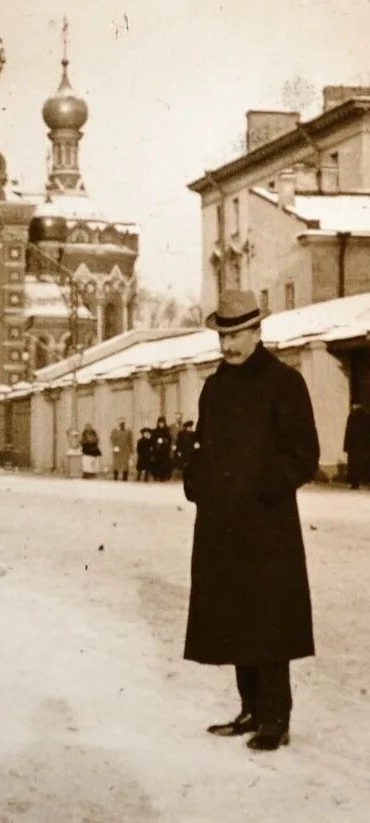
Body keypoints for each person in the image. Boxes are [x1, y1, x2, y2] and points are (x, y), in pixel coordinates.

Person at [183, 290, 319, 752]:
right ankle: (250, 709)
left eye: (237, 335)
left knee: (269, 618)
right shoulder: (214, 386)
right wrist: (197, 482)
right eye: (223, 336)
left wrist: (261, 489)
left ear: (258, 332)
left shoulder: (284, 383)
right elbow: (201, 445)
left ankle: (275, 717)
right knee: (234, 614)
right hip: (222, 522)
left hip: (267, 523)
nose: (228, 345)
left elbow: (304, 455)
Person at [343, 402, 370, 489]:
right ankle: (366, 480)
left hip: (353, 446)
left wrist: (346, 446)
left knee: (354, 465)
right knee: (364, 463)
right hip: (364, 445)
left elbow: (348, 432)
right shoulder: (367, 416)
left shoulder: (352, 416)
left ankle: (355, 483)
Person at [152, 416, 174, 481]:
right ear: (158, 423)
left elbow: (169, 439)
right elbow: (153, 439)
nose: (161, 424)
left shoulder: (167, 431)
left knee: (164, 463)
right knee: (157, 462)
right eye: (160, 423)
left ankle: (163, 476)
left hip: (165, 450)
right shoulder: (155, 431)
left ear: (164, 423)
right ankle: (157, 476)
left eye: (162, 423)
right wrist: (157, 441)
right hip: (157, 450)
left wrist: (164, 440)